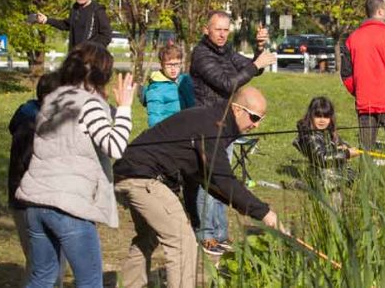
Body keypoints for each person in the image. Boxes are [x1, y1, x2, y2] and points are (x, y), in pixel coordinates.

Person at [113, 86, 287, 288]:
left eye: (260, 120)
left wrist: (238, 203)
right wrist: (266, 214)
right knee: (184, 242)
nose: (256, 126)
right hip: (143, 178)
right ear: (238, 109)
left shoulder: (213, 119)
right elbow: (223, 179)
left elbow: (205, 177)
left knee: (148, 237)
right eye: (255, 118)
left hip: (127, 173)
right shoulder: (213, 125)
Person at [15, 42, 136, 288]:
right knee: (90, 282)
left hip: (35, 202)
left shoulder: (53, 100)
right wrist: (124, 108)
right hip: (69, 207)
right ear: (102, 74)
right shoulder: (89, 104)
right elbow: (115, 147)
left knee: (42, 277)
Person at [188, 10, 276, 255]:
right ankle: (206, 235)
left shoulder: (225, 51)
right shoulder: (201, 54)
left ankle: (220, 233)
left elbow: (250, 68)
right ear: (207, 29)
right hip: (207, 124)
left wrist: (259, 49)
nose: (222, 34)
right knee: (209, 181)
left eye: (226, 30)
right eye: (218, 29)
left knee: (222, 178)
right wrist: (255, 65)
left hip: (226, 123)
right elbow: (228, 84)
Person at [341, 0, 385, 179]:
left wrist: (357, 92)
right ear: (380, 11)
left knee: (366, 151)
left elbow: (346, 75)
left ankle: (365, 189)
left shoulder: (352, 38)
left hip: (364, 102)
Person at [7, 72, 64, 287]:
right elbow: (35, 165)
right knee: (43, 266)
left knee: (50, 265)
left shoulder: (40, 120)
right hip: (30, 204)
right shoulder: (31, 125)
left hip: (44, 202)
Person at [292, 97, 360, 202]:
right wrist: (346, 154)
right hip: (321, 175)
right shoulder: (310, 137)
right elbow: (321, 157)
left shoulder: (327, 131)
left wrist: (342, 147)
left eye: (326, 116)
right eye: (318, 116)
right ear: (311, 116)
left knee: (361, 181)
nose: (322, 120)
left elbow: (337, 143)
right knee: (337, 194)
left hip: (332, 170)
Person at [33, 0, 112, 50]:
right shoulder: (75, 9)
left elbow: (106, 35)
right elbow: (66, 25)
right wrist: (47, 20)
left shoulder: (97, 10)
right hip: (75, 55)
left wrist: (93, 50)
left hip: (92, 58)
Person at [141, 44, 195, 127]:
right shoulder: (156, 89)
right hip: (171, 132)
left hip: (191, 129)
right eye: (169, 65)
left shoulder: (186, 81)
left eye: (176, 64)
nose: (173, 69)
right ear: (162, 64)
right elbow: (154, 120)